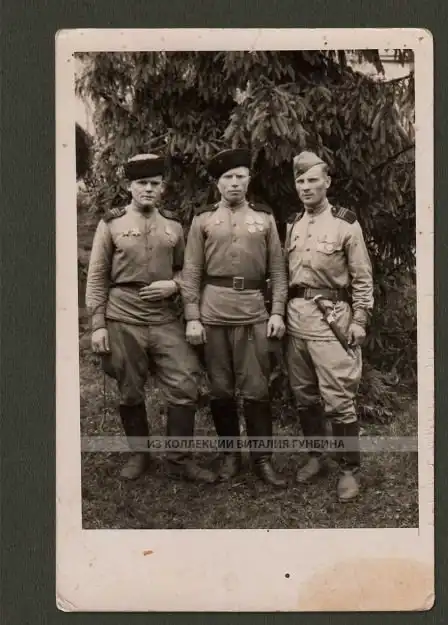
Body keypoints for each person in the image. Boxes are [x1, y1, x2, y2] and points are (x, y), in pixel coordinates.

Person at [85, 153, 216, 483]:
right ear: (129, 187)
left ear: (162, 188)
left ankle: (179, 460)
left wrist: (173, 285)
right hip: (123, 316)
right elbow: (97, 276)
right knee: (130, 389)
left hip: (163, 317)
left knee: (185, 382)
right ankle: (139, 455)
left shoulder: (173, 225)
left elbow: (187, 271)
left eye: (154, 184)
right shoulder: (111, 224)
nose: (148, 189)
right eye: (141, 183)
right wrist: (98, 325)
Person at [181, 148, 288, 487]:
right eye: (227, 177)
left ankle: (262, 460)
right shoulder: (202, 220)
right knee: (221, 389)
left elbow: (278, 270)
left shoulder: (265, 218)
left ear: (249, 180)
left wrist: (277, 311)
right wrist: (192, 316)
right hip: (214, 312)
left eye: (240, 176)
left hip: (254, 310)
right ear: (218, 183)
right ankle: (230, 455)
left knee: (257, 388)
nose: (234, 183)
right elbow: (191, 271)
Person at [285, 151, 374, 501]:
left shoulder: (345, 224)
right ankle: (316, 456)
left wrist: (360, 319)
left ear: (327, 182)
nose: (306, 187)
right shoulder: (292, 223)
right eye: (300, 181)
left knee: (338, 397)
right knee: (304, 395)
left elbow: (362, 278)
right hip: (296, 320)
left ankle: (348, 469)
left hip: (331, 319)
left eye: (312, 180)